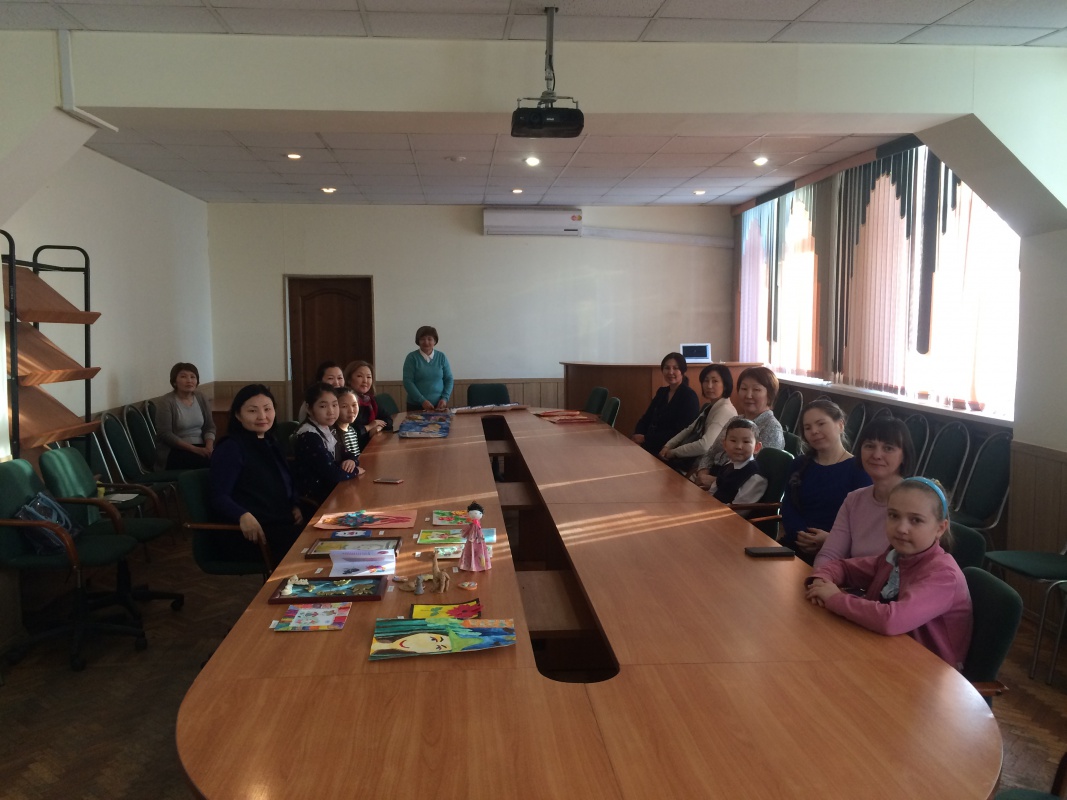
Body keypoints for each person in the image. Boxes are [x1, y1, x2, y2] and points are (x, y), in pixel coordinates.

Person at [805, 478, 973, 669]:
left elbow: (892, 620)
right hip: (885, 653)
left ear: (940, 528)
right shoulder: (896, 556)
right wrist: (821, 578)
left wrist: (835, 598)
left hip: (928, 673)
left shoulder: (944, 576)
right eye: (893, 516)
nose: (901, 528)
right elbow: (844, 567)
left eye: (916, 520)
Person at [210, 384, 303, 566]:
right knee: (311, 542)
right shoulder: (231, 448)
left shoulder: (270, 441)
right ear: (238, 415)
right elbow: (218, 496)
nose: (262, 416)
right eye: (252, 411)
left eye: (267, 409)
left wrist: (295, 504)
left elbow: (284, 480)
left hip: (279, 523)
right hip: (250, 533)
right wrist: (242, 515)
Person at [813, 417, 917, 569]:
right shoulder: (854, 499)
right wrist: (820, 577)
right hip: (849, 580)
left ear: (904, 456)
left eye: (888, 448)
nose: (876, 455)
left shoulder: (917, 505)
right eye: (869, 446)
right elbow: (830, 554)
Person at [780, 400, 871, 563]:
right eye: (808, 428)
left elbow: (862, 523)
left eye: (821, 424)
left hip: (836, 555)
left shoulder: (859, 470)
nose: (814, 431)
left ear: (840, 425)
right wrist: (800, 534)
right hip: (794, 545)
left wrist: (830, 540)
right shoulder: (799, 464)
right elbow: (788, 506)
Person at [693, 366, 784, 488]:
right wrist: (702, 473)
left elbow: (756, 476)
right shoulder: (735, 421)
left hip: (732, 491)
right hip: (710, 480)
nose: (748, 395)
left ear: (770, 395)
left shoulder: (772, 428)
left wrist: (715, 482)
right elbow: (711, 452)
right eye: (744, 388)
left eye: (756, 389)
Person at [658, 363, 737, 474]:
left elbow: (705, 446)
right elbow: (690, 429)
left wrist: (674, 452)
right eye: (706, 381)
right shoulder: (710, 406)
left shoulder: (725, 410)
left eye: (715, 381)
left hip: (710, 467)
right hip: (697, 462)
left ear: (725, 385)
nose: (709, 386)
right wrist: (668, 446)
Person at [293, 383, 359, 507]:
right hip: (317, 498)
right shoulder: (309, 435)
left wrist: (351, 461)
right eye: (323, 406)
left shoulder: (328, 429)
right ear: (309, 409)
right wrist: (356, 470)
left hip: (333, 490)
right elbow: (333, 474)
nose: (331, 411)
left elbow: (348, 454)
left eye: (335, 405)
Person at [632, 352, 700, 456]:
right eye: (667, 368)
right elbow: (646, 418)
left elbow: (680, 432)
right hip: (649, 444)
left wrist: (645, 438)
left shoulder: (689, 396)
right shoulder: (662, 392)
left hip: (669, 450)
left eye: (675, 368)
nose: (670, 372)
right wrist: (637, 435)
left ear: (683, 371)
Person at [154, 361, 216, 470]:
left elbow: (209, 426)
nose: (189, 380)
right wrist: (196, 450)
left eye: (193, 377)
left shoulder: (201, 397)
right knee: (213, 464)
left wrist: (209, 447)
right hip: (175, 451)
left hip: (202, 447)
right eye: (183, 376)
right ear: (174, 382)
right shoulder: (166, 401)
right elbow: (165, 434)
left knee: (226, 458)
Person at [705, 418, 767, 505]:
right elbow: (712, 492)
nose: (738, 446)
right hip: (711, 506)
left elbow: (739, 508)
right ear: (725, 444)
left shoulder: (755, 477)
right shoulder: (728, 465)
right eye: (733, 441)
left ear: (757, 447)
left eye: (746, 441)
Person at [403, 325, 453, 411]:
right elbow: (408, 382)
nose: (426, 342)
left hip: (439, 406)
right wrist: (422, 400)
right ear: (418, 341)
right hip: (416, 406)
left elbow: (449, 379)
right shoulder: (411, 357)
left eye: (430, 339)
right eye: (422, 339)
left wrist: (445, 398)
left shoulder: (441, 357)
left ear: (435, 341)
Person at [345, 360, 392, 451]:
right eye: (360, 376)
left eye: (369, 377)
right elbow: (348, 432)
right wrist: (369, 427)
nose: (365, 381)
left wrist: (378, 427)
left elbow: (388, 419)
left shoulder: (371, 400)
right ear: (349, 379)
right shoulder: (346, 403)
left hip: (372, 446)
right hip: (354, 451)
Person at [334, 386, 363, 466]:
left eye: (354, 405)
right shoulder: (333, 434)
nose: (351, 410)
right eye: (344, 406)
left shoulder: (352, 430)